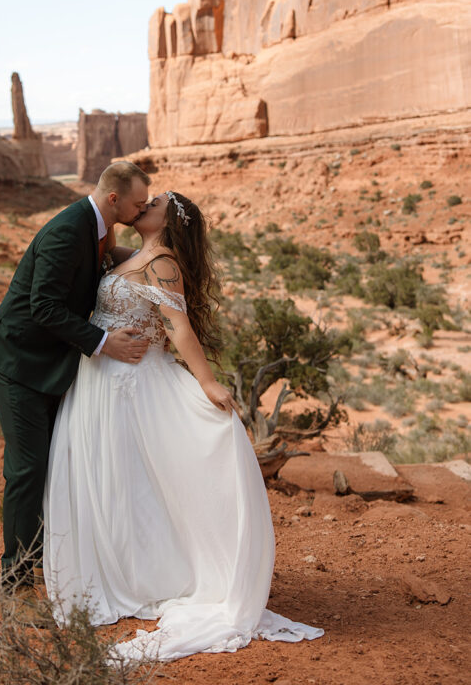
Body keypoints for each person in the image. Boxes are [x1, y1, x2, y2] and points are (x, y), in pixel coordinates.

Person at [43, 190, 323, 661]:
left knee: (132, 479)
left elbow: (178, 327)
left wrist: (209, 383)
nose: (142, 207)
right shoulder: (137, 254)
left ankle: (147, 575)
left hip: (132, 382)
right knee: (112, 478)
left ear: (166, 220)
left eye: (150, 205)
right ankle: (118, 570)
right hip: (99, 382)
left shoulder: (163, 262)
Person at [0, 161, 152, 594]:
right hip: (18, 361)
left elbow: (110, 262)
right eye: (138, 203)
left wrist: (163, 252)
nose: (142, 210)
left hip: (47, 362)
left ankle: (45, 565)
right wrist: (106, 342)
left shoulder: (99, 228)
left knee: (51, 463)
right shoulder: (69, 229)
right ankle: (15, 586)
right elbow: (45, 308)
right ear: (115, 199)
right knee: (27, 470)